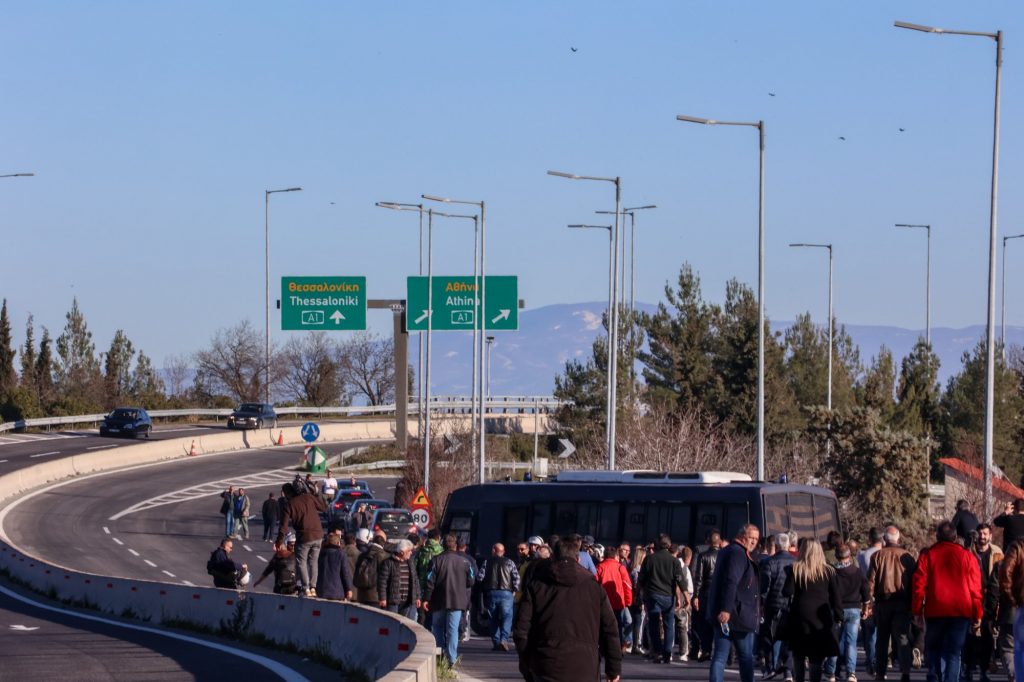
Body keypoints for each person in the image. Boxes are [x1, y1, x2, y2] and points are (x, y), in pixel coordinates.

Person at [513, 534, 622, 682]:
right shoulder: (594, 588)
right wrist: (613, 668)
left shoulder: (538, 586)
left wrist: (528, 664)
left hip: (546, 664)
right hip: (585, 667)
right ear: (578, 559)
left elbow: (521, 630)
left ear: (552, 557)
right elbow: (610, 630)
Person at [911, 520, 982, 682]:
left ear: (937, 536)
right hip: (960, 611)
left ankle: (935, 678)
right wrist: (977, 613)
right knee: (954, 653)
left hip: (935, 610)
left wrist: (917, 612)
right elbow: (975, 589)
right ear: (956, 537)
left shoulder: (928, 555)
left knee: (934, 650)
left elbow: (918, 586)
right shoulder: (967, 557)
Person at [708, 524, 762, 682]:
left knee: (720, 657)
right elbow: (731, 581)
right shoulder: (738, 553)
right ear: (741, 536)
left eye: (756, 539)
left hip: (728, 613)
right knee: (744, 658)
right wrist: (726, 609)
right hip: (737, 614)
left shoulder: (728, 550)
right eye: (750, 537)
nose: (753, 542)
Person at [783, 538, 842, 682]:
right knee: (817, 655)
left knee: (799, 653)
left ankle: (799, 679)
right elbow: (836, 596)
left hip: (800, 614)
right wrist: (839, 615)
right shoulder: (828, 571)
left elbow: (787, 592)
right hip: (820, 617)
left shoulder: (795, 569)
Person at [867, 525, 917, 682]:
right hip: (902, 602)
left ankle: (881, 673)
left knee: (882, 639)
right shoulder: (908, 557)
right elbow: (914, 584)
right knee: (902, 637)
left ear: (884, 540)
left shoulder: (877, 556)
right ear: (899, 539)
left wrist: (869, 603)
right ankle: (905, 671)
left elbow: (870, 583)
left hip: (883, 602)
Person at [424, 534, 474, 665]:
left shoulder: (435, 560)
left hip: (438, 600)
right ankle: (451, 659)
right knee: (452, 630)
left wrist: (426, 599)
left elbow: (429, 581)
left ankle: (439, 657)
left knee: (437, 627)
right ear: (455, 546)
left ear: (442, 545)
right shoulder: (465, 562)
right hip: (457, 601)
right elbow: (471, 580)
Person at [638, 533, 687, 664]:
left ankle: (657, 652)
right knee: (668, 625)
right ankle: (667, 653)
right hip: (668, 596)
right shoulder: (675, 561)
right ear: (669, 545)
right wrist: (686, 597)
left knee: (654, 624)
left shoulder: (649, 559)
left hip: (653, 595)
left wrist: (638, 594)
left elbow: (641, 579)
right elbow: (680, 581)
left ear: (657, 545)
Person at [826, 542, 869, 682]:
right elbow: (865, 592)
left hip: (836, 610)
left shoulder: (832, 572)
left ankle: (831, 672)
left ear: (837, 557)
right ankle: (851, 673)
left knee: (834, 641)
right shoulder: (857, 572)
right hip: (854, 610)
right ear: (849, 556)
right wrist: (865, 607)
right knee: (851, 643)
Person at [275, 482, 328, 597]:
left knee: (301, 562)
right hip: (318, 535)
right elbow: (324, 508)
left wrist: (279, 541)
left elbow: (283, 527)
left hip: (304, 537)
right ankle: (313, 587)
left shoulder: (289, 505)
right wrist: (317, 493)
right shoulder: (308, 497)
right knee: (314, 562)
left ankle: (306, 587)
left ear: (286, 493)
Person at [966, 523, 1003, 682]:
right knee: (969, 637)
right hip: (970, 598)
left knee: (987, 637)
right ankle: (968, 669)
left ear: (990, 536)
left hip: (990, 599)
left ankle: (983, 670)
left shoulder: (997, 553)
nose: (982, 537)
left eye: (985, 534)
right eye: (980, 533)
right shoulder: (969, 552)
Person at [762, 531, 796, 681]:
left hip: (772, 604)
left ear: (775, 546)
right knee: (788, 638)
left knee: (770, 637)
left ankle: (770, 667)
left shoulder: (769, 562)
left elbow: (765, 587)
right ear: (788, 545)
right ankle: (788, 670)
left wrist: (761, 604)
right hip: (790, 605)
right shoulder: (796, 563)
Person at [477, 542, 521, 651]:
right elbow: (516, 578)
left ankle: (496, 642)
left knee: (493, 619)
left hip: (491, 593)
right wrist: (515, 589)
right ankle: (504, 639)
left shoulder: (487, 562)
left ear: (493, 550)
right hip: (507, 593)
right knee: (507, 617)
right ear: (503, 552)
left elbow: (479, 578)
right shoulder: (510, 562)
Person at [597, 545, 634, 655]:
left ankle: (603, 648)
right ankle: (617, 648)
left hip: (603, 602)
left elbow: (594, 584)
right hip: (618, 602)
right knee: (618, 626)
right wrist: (628, 600)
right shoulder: (620, 568)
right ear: (615, 556)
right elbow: (627, 585)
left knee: (603, 626)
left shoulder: (600, 567)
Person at [693, 530, 722, 660]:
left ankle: (706, 649)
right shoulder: (724, 555)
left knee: (705, 621)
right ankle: (721, 651)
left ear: (709, 542)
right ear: (719, 542)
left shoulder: (703, 556)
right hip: (720, 591)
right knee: (719, 621)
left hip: (706, 590)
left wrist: (696, 595)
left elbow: (698, 578)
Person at [378, 539, 421, 619]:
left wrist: (417, 596)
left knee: (407, 625)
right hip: (393, 601)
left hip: (408, 601)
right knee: (391, 624)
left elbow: (415, 580)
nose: (411, 553)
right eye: (409, 551)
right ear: (402, 552)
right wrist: (383, 598)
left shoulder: (410, 563)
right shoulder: (388, 563)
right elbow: (382, 582)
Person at [316, 531, 354, 601]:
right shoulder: (340, 554)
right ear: (338, 543)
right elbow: (345, 573)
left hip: (321, 591)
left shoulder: (321, 553)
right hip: (336, 592)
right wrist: (349, 589)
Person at [354, 533, 389, 606]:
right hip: (375, 596)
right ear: (383, 544)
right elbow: (385, 577)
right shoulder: (383, 556)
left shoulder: (362, 555)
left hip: (361, 595)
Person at [629, 546, 648, 655]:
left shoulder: (632, 569)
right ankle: (636, 644)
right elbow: (638, 587)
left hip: (634, 598)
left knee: (636, 621)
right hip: (638, 598)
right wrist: (641, 600)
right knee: (638, 622)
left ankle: (634, 643)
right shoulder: (638, 570)